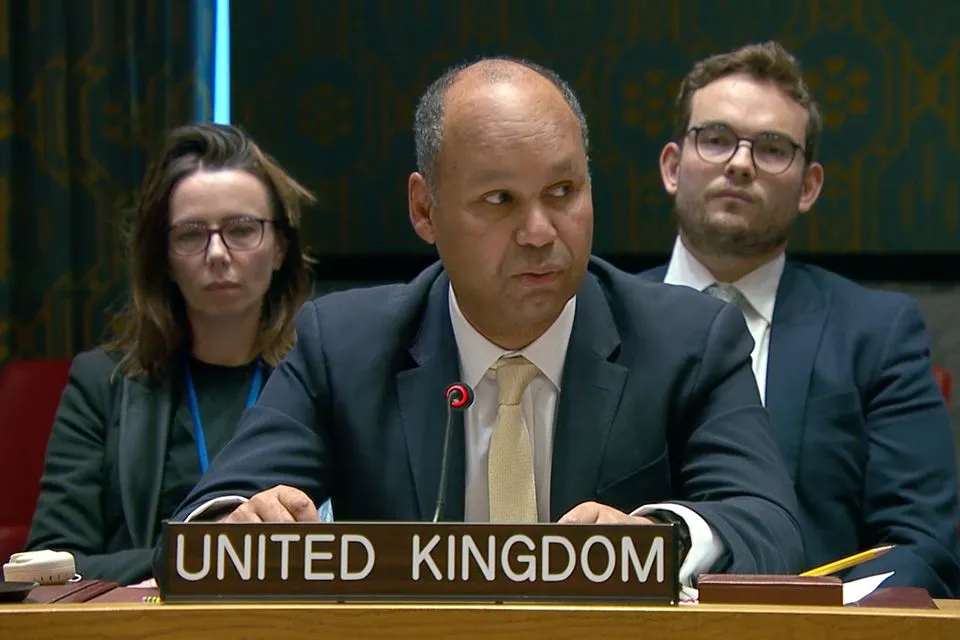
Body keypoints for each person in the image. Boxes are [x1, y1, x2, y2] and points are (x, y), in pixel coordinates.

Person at [161, 57, 804, 589]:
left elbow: (768, 523)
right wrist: (242, 524)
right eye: (499, 200)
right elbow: (203, 520)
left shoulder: (689, 339)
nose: (538, 233)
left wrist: (660, 539)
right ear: (424, 209)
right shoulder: (345, 345)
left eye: (563, 193)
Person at [640, 41, 960, 596]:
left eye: (770, 148)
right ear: (672, 166)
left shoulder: (877, 333)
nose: (739, 163)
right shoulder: (591, 319)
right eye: (715, 139)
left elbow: (924, 539)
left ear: (809, 185)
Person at [25, 123, 316, 584]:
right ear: (163, 256)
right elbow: (49, 564)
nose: (218, 254)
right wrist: (198, 555)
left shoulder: (325, 373)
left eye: (242, 230)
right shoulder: (102, 383)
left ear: (280, 247)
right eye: (190, 235)